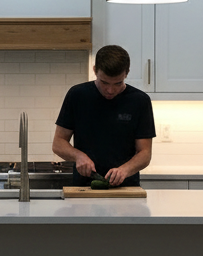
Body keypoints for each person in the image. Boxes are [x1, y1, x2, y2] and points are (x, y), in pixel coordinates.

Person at [53, 44, 155, 188]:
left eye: (118, 83)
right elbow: (58, 143)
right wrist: (78, 156)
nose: (110, 90)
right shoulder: (77, 95)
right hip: (84, 188)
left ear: (127, 73)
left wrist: (124, 170)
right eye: (104, 82)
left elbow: (145, 153)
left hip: (126, 190)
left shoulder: (140, 101)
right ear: (95, 70)